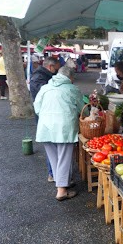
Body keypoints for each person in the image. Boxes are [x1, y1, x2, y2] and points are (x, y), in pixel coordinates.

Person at [34, 66, 84, 201]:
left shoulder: (45, 88)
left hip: (45, 127)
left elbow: (37, 108)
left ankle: (63, 183)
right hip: (64, 127)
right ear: (70, 77)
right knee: (64, 158)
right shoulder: (72, 89)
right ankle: (61, 191)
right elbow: (82, 109)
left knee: (54, 158)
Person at [30, 56, 60, 182]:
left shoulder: (43, 75)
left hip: (49, 117)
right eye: (56, 69)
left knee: (54, 147)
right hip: (46, 118)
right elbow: (46, 98)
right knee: (52, 147)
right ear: (50, 67)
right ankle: (53, 174)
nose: (57, 71)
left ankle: (56, 173)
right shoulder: (39, 79)